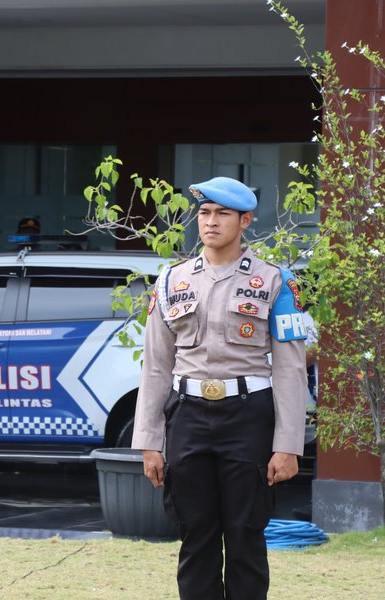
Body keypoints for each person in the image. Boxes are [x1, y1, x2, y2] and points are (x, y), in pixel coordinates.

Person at [132, 176, 307, 600]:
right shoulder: (172, 281)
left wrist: (288, 445)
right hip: (187, 415)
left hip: (248, 415)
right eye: (205, 213)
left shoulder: (275, 282)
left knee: (246, 536)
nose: (210, 222)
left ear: (245, 220)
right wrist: (149, 442)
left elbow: (290, 368)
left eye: (222, 214)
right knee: (195, 536)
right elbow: (156, 367)